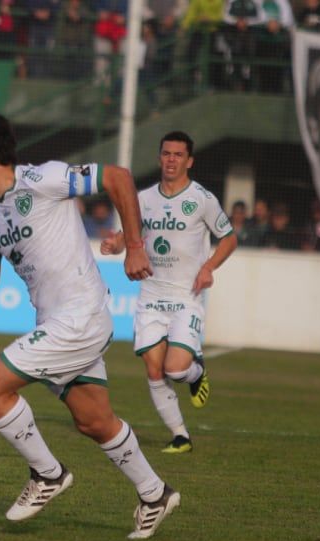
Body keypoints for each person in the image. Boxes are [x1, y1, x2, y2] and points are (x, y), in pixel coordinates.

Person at [0, 111, 178, 540]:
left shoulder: (42, 179)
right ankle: (155, 493)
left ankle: (48, 474)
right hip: (56, 320)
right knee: (94, 421)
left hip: (81, 315)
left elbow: (119, 178)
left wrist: (134, 246)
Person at [101, 131, 238, 454]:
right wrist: (115, 244)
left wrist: (208, 268)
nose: (171, 160)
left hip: (185, 297)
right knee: (153, 369)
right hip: (150, 296)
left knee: (174, 369)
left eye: (178, 155)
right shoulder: (143, 199)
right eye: (166, 154)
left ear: (189, 161)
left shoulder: (202, 199)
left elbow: (229, 238)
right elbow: (129, 234)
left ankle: (196, 372)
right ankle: (181, 435)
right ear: (159, 157)